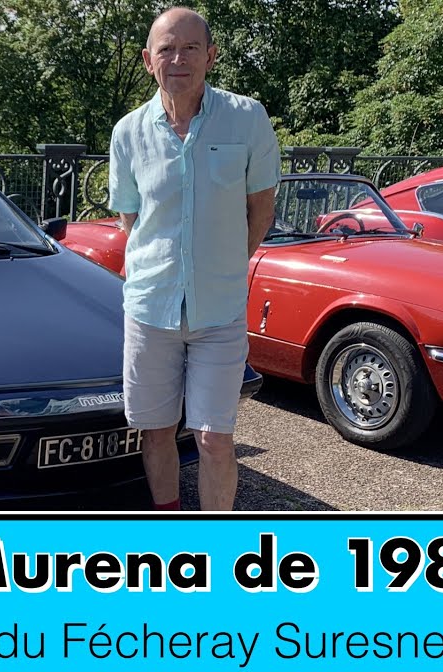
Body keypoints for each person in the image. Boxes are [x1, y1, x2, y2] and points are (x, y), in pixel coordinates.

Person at [108, 6, 280, 511]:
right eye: (166, 48)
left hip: (219, 311)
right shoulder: (128, 133)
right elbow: (130, 221)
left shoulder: (247, 118)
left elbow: (262, 207)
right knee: (156, 433)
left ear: (211, 55)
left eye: (189, 48)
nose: (177, 58)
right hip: (150, 308)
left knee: (214, 439)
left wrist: (225, 264)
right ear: (147, 60)